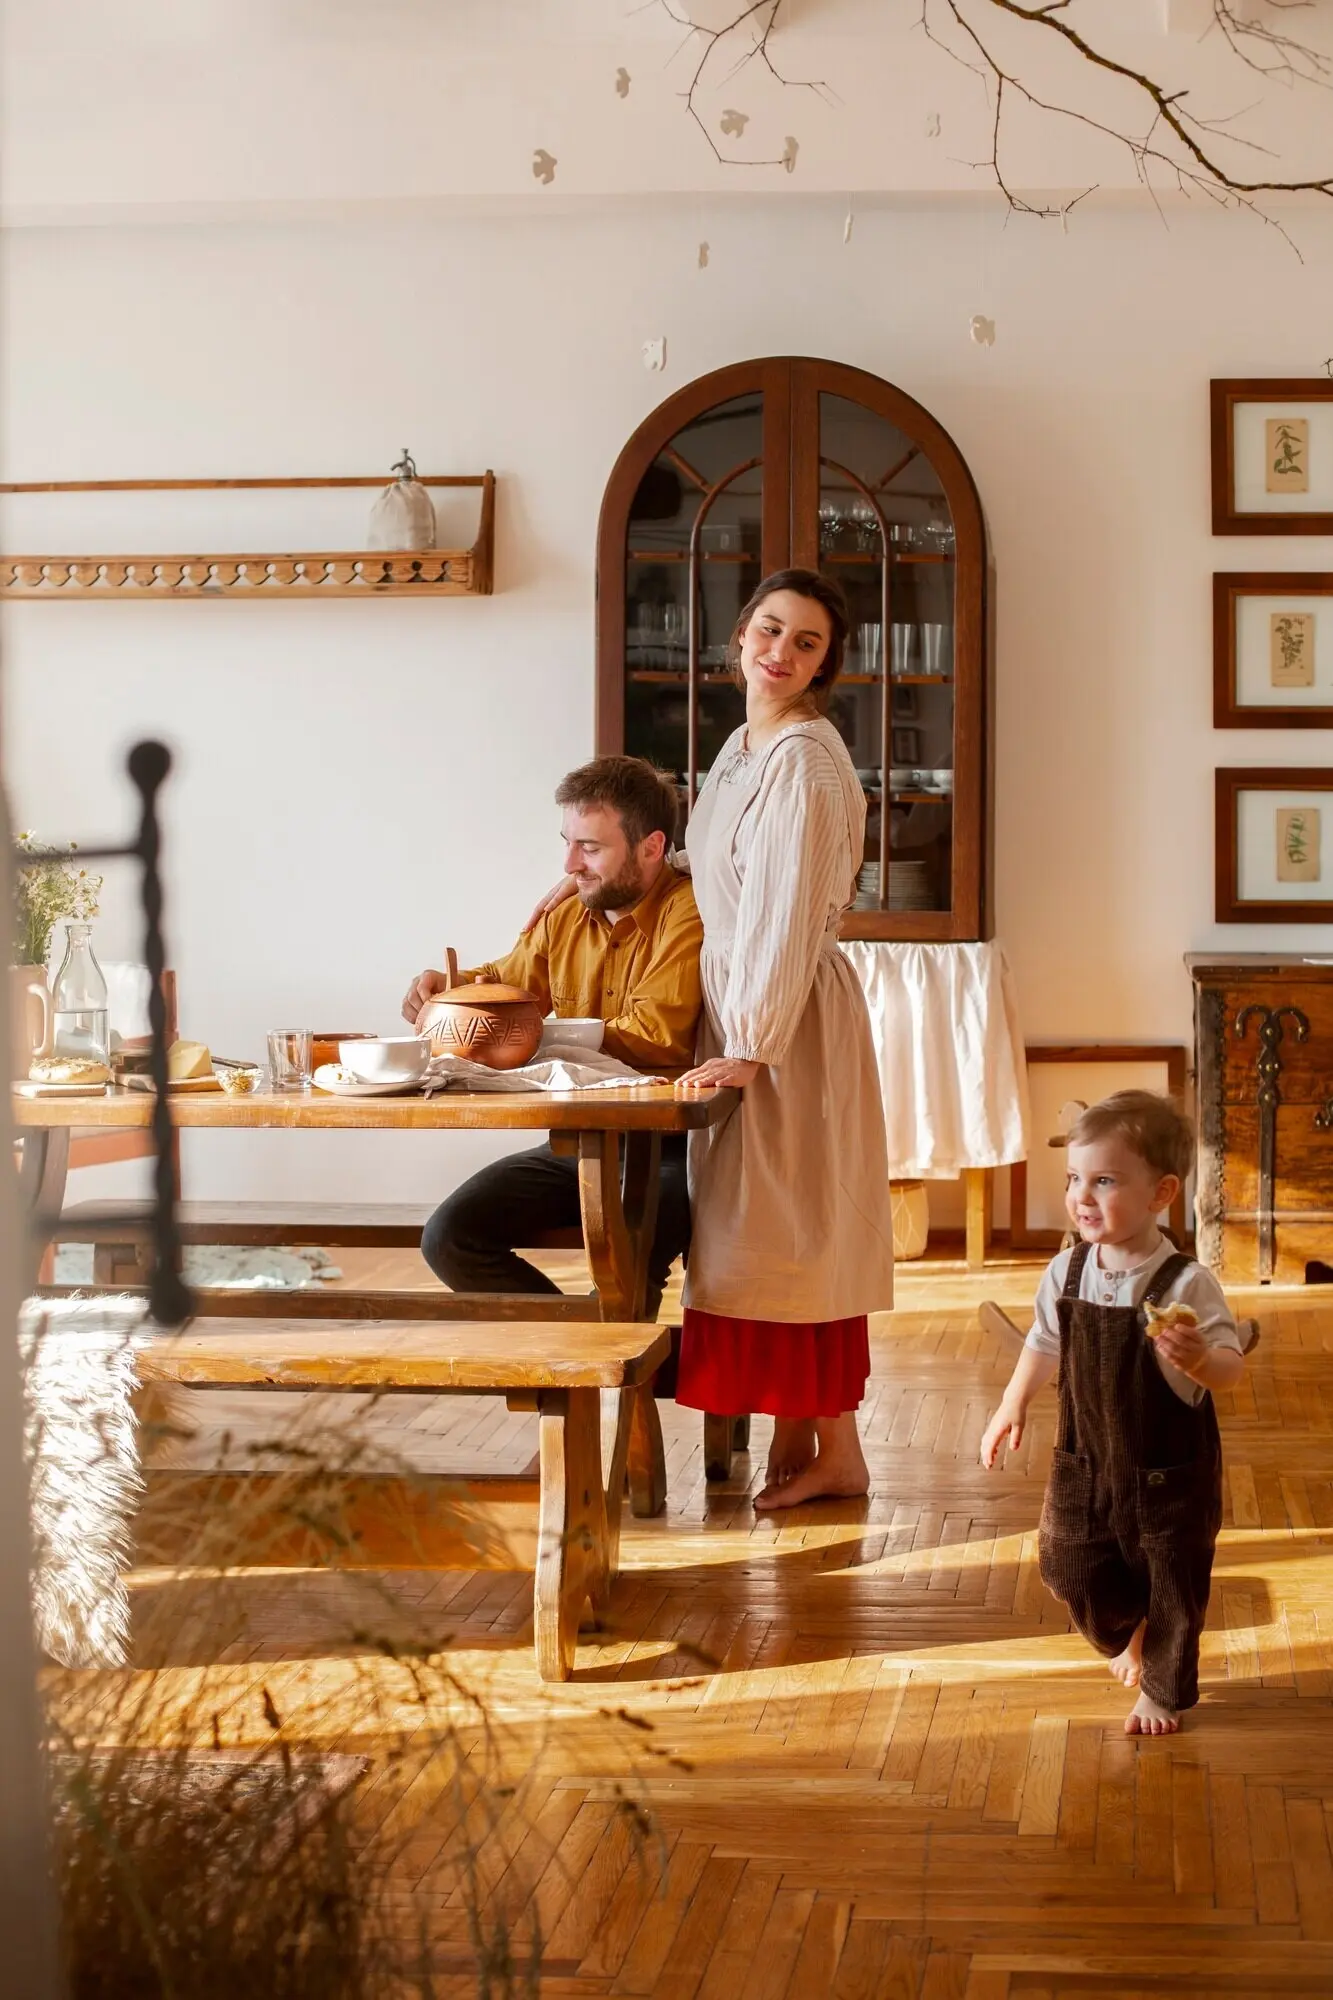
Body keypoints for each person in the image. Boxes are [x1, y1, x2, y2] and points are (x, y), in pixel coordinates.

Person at [674, 567, 896, 1510]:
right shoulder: (742, 745)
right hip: (747, 1001)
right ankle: (795, 1429)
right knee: (757, 1232)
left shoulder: (806, 759)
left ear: (824, 664)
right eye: (769, 631)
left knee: (792, 1230)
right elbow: (725, 869)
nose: (781, 652)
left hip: (784, 1016)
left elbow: (783, 913)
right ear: (739, 639)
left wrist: (756, 1040)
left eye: (805, 643)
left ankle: (838, 1450)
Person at [980, 1091, 1247, 1736]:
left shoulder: (1185, 1283)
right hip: (1084, 1460)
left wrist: (1200, 1361)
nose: (1082, 1196)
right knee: (1065, 1560)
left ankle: (1161, 1688)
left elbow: (1231, 1368)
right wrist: (1011, 1403)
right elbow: (1044, 1340)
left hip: (1167, 1472)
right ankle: (1124, 1635)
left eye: (1104, 1180)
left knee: (1174, 1583)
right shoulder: (1067, 1270)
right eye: (1075, 1179)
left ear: (1160, 1194)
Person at [402, 756, 703, 1318]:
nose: (569, 865)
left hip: (666, 1152)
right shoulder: (565, 917)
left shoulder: (690, 912)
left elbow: (657, 1038)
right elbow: (507, 985)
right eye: (567, 844)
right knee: (448, 1237)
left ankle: (610, 1368)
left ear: (651, 846)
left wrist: (522, 1032)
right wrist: (449, 992)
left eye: (590, 848)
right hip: (573, 1144)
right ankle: (581, 1366)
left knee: (624, 1271)